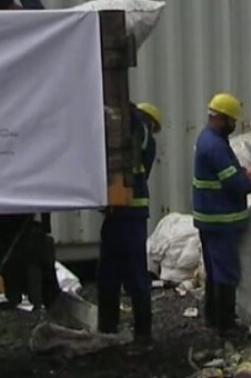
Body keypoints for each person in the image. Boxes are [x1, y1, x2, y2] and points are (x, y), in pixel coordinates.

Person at [192, 93, 251, 336]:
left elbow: (229, 171)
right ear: (221, 119)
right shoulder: (214, 144)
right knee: (226, 272)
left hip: (209, 218)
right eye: (232, 120)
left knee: (214, 271)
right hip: (220, 220)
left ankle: (212, 318)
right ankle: (226, 325)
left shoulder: (209, 139)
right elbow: (232, 182)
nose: (234, 125)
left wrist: (245, 173)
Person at [97, 102, 163, 351]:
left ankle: (144, 335)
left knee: (136, 277)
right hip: (116, 216)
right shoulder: (133, 138)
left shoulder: (145, 138)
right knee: (107, 276)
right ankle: (107, 329)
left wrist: (128, 107)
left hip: (132, 217)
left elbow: (138, 128)